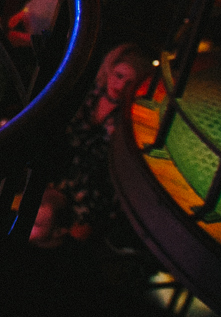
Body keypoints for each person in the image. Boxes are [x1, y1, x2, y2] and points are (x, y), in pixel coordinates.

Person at [29, 45, 146, 246]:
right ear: (109, 70)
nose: (120, 85)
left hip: (91, 187)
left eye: (129, 82)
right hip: (66, 171)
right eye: (118, 76)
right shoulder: (87, 93)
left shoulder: (131, 118)